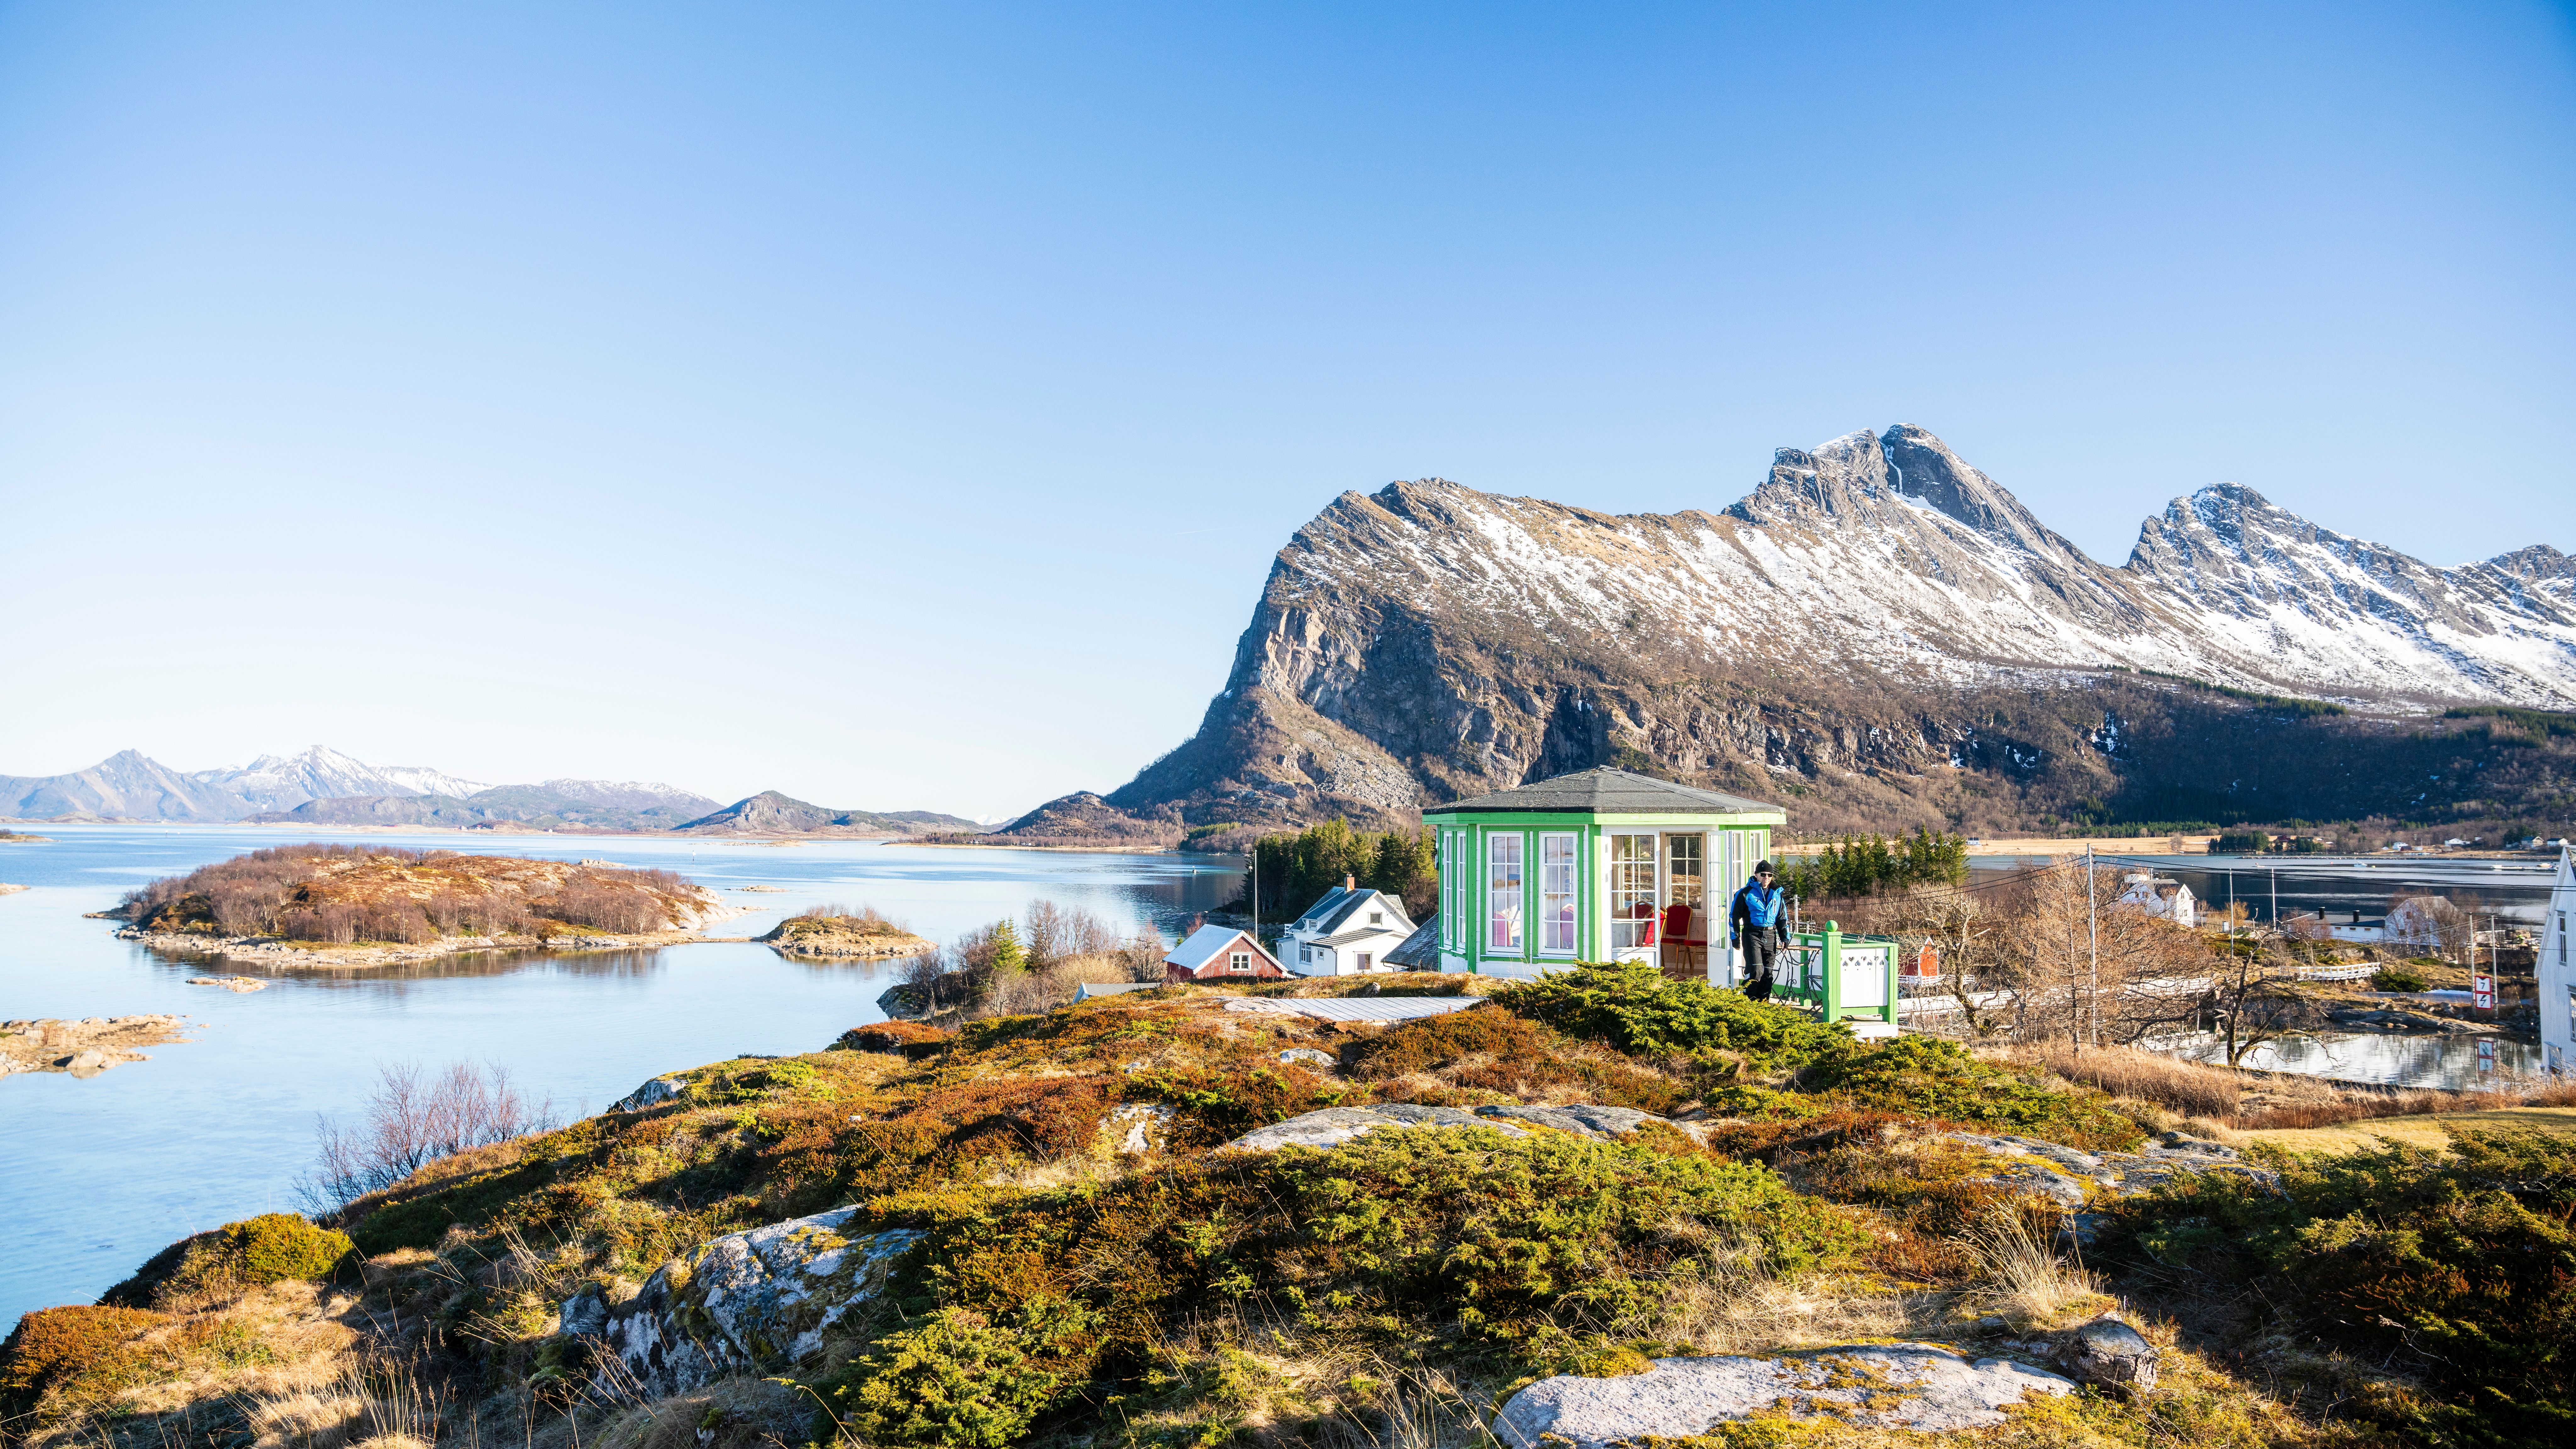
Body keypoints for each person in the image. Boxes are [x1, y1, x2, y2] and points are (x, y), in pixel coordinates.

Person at [1730, 861, 1788, 1001]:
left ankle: (1763, 1004)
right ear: (1756, 875)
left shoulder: (1777, 893)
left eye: (1770, 875)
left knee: (1768, 973)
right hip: (1752, 934)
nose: (1766, 878)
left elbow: (1782, 917)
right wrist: (1735, 937)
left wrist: (1785, 938)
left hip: (1771, 935)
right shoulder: (1745, 893)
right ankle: (1747, 1001)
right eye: (1763, 875)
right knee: (1756, 971)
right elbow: (1734, 916)